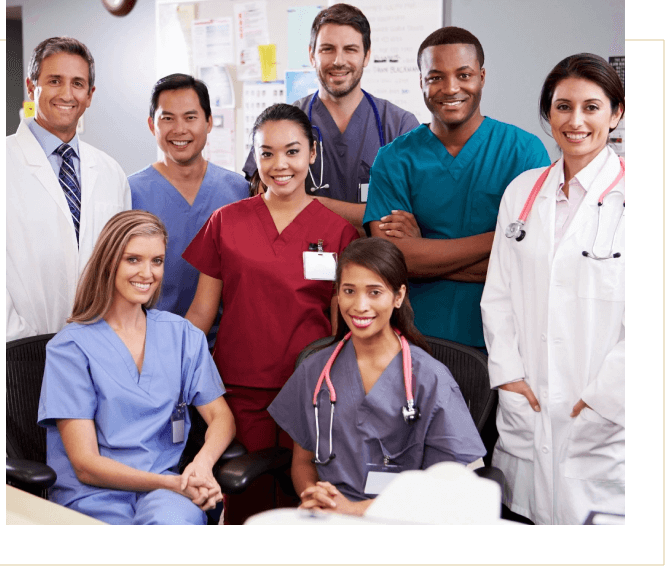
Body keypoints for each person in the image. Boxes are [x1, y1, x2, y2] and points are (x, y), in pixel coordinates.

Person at [183, 103, 359, 523]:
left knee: (312, 505)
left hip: (314, 393)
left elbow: (343, 325)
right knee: (250, 505)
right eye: (266, 153)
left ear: (312, 154)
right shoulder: (225, 222)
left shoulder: (338, 231)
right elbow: (201, 314)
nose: (279, 165)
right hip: (241, 392)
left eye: (292, 152)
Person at [480, 53, 625, 525]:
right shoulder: (521, 192)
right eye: (563, 107)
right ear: (547, 114)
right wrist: (507, 374)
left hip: (604, 414)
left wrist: (606, 397)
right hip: (528, 399)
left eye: (591, 107)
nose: (575, 121)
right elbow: (498, 293)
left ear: (616, 114)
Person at [37, 210, 236, 525]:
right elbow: (86, 464)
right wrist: (175, 483)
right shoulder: (70, 349)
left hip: (165, 493)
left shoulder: (183, 336)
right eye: (133, 259)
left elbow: (221, 417)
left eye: (156, 261)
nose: (147, 273)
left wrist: (201, 465)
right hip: (94, 494)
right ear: (109, 262)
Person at [268, 237, 486, 515]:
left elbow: (448, 484)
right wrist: (313, 494)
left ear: (398, 297)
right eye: (349, 291)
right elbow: (303, 462)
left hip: (407, 515)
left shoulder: (431, 378)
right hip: (330, 514)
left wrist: (355, 510)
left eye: (374, 292)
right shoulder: (316, 370)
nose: (359, 306)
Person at [364, 27, 550, 350]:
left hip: (501, 343)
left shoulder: (524, 152)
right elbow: (392, 263)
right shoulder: (393, 159)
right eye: (435, 77)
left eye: (463, 75)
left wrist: (424, 256)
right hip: (411, 342)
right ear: (420, 81)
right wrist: (501, 239)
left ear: (481, 77)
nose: (451, 88)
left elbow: (530, 262)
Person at [242, 3, 419, 234]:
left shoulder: (398, 126)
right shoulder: (282, 123)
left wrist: (312, 204)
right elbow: (265, 204)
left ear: (366, 56)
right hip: (299, 263)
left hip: (374, 266)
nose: (338, 61)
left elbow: (410, 217)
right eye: (327, 49)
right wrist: (370, 215)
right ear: (311, 55)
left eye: (350, 49)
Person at [7, 36, 131, 342]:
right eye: (54, 80)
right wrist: (20, 338)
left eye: (78, 83)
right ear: (31, 86)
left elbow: (121, 263)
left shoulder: (111, 172)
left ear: (90, 95)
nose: (67, 93)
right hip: (17, 349)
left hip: (99, 345)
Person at [129, 74, 248, 346]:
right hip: (151, 344)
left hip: (225, 348)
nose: (179, 129)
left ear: (208, 122)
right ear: (152, 125)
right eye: (167, 118)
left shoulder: (238, 191)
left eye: (190, 117)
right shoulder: (129, 193)